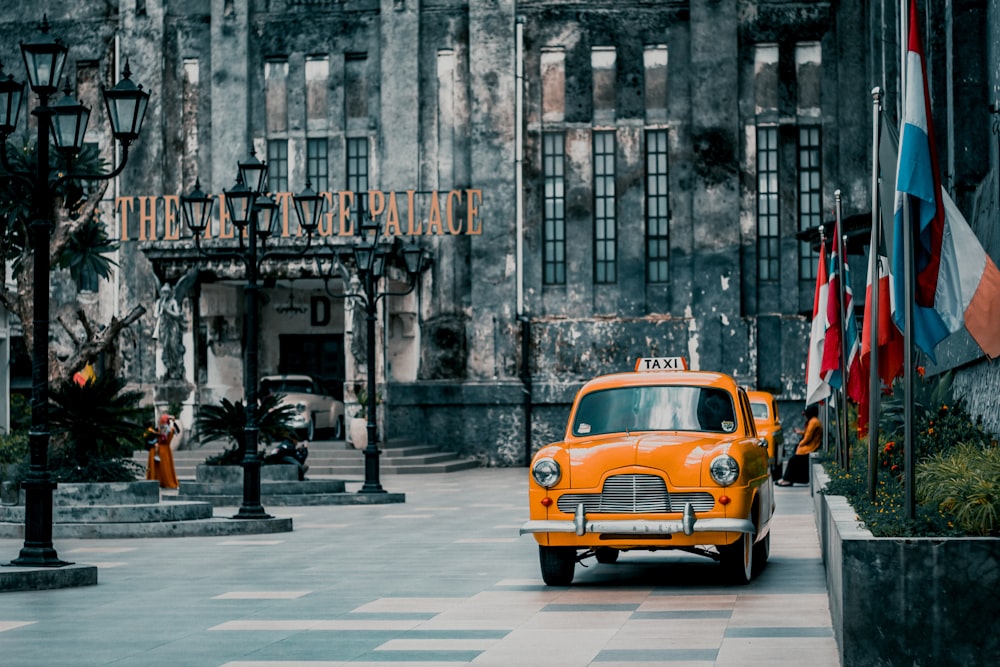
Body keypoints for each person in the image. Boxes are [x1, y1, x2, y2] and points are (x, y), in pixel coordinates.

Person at [776, 403, 822, 486]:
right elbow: (807, 433)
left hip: (808, 448)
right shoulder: (813, 421)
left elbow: (808, 437)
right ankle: (786, 479)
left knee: (792, 461)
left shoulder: (813, 422)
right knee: (793, 461)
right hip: (808, 447)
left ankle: (787, 480)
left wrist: (800, 444)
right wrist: (800, 432)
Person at [146, 413, 180, 489]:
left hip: (162, 450)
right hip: (161, 450)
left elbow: (177, 431)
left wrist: (173, 422)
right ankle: (161, 482)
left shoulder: (168, 429)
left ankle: (161, 482)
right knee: (162, 468)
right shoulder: (160, 429)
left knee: (163, 468)